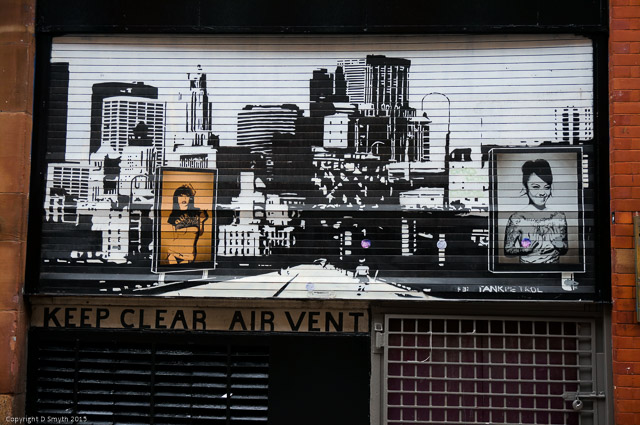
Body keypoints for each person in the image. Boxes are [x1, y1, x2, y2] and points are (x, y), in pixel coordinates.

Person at [503, 159, 568, 264]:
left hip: (553, 271)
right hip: (527, 271)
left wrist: (559, 244)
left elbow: (564, 249)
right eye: (536, 187)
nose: (542, 193)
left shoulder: (559, 217)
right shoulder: (517, 218)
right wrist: (524, 250)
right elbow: (508, 250)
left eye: (547, 187)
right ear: (525, 187)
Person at [166, 184, 208, 264]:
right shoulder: (173, 215)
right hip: (173, 252)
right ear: (176, 199)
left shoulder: (197, 213)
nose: (184, 199)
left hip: (189, 255)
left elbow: (200, 233)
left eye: (187, 196)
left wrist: (201, 221)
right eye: (181, 196)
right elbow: (172, 236)